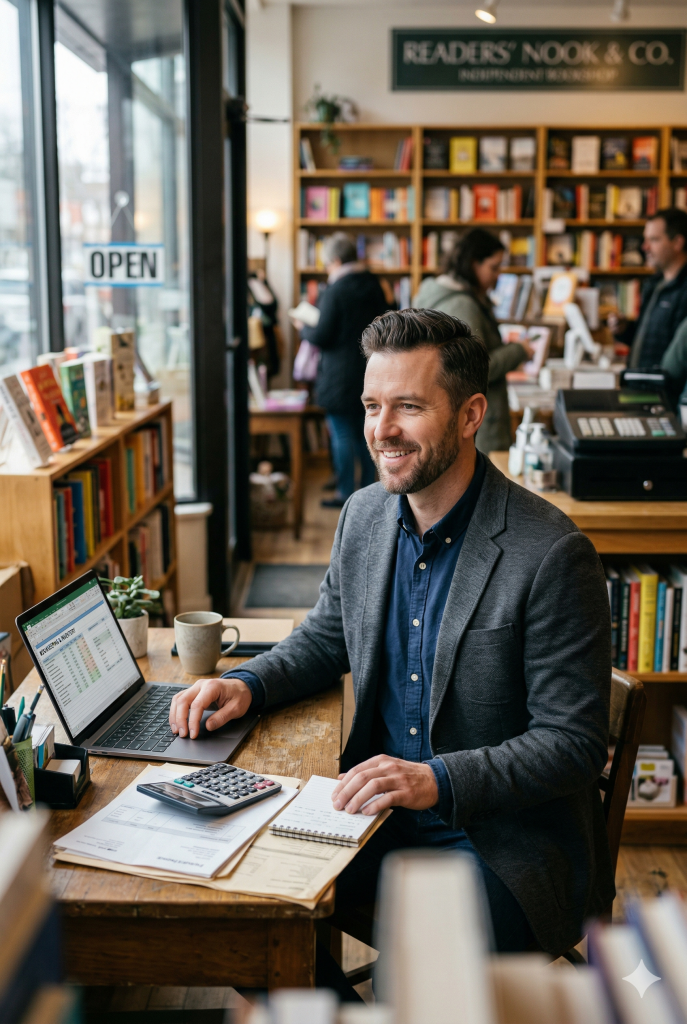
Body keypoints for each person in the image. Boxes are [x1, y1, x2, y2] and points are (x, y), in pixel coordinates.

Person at [169, 309, 613, 982]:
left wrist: (434, 780)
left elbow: (572, 744)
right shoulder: (365, 514)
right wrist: (248, 684)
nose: (382, 430)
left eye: (408, 407)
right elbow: (327, 636)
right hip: (373, 818)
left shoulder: (549, 552)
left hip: (501, 845)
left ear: (469, 415)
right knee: (239, 913)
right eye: (373, 406)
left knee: (419, 969)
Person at [412, 227, 532, 453]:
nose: (498, 276)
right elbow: (476, 368)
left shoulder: (436, 292)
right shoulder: (463, 305)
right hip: (479, 425)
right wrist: (519, 350)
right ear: (473, 264)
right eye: (493, 268)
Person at [298, 232, 390, 508]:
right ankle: (369, 490)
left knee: (341, 433)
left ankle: (345, 493)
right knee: (367, 433)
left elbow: (323, 334)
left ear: (336, 260)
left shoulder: (335, 289)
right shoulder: (374, 284)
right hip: (371, 371)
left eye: (328, 264)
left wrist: (303, 329)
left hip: (339, 375)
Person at [609, 208, 687, 368]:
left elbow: (680, 352)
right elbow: (647, 342)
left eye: (654, 240)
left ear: (678, 242)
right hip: (641, 385)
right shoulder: (653, 284)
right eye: (645, 240)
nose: (645, 247)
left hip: (665, 389)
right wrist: (624, 329)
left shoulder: (684, 289)